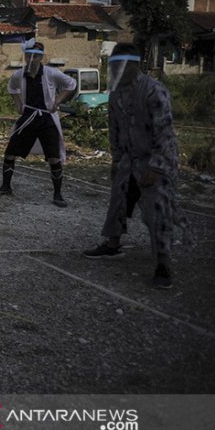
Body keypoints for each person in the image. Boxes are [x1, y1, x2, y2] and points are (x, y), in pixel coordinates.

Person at [83, 42, 190, 289]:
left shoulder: (154, 91)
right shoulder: (116, 93)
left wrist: (156, 167)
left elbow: (165, 133)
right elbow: (115, 131)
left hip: (157, 159)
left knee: (156, 211)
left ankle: (163, 263)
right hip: (129, 159)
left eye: (121, 65)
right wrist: (116, 161)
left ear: (133, 65)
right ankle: (112, 245)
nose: (117, 70)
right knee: (118, 200)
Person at [0, 39, 76, 207]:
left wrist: (58, 100)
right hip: (28, 116)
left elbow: (71, 84)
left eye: (35, 56)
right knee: (10, 153)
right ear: (25, 56)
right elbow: (12, 88)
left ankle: (58, 194)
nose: (32, 59)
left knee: (54, 158)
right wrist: (18, 103)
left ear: (40, 58)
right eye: (29, 56)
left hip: (46, 119)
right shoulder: (19, 74)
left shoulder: (50, 73)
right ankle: (6, 186)